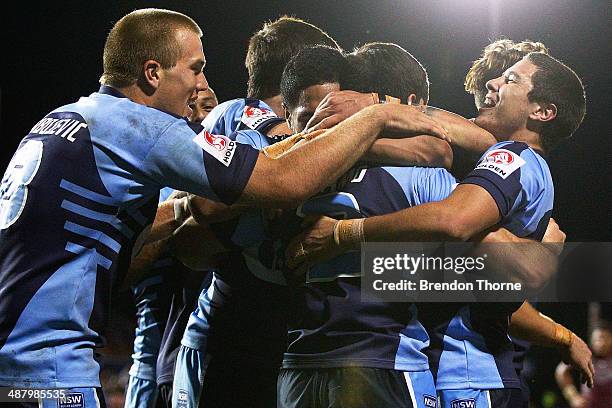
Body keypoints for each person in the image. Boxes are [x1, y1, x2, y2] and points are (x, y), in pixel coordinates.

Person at [0, 8, 446, 407]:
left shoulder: (63, 119)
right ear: (152, 72)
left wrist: (181, 211)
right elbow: (277, 184)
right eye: (195, 69)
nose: (202, 87)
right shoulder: (150, 127)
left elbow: (167, 230)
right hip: (56, 369)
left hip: (39, 357)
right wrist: (374, 118)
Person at [286, 51, 587, 407]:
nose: (493, 84)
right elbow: (488, 281)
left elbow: (453, 221)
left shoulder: (513, 156)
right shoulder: (502, 165)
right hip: (461, 367)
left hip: (468, 371)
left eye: (510, 80)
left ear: (542, 112)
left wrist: (344, 234)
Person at [556, 321, 612, 407]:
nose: (601, 343)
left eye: (605, 338)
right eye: (598, 339)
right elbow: (561, 372)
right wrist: (573, 397)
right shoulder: (585, 355)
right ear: (592, 340)